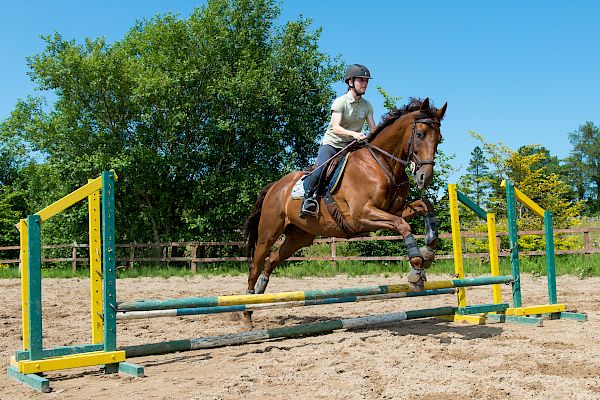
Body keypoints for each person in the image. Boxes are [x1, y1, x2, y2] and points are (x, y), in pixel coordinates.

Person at [300, 64, 377, 218]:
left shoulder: (367, 105)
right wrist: (355, 134)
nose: (364, 83)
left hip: (352, 146)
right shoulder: (340, 102)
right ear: (350, 82)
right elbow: (336, 128)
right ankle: (308, 197)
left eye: (366, 81)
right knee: (321, 168)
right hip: (332, 143)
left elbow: (373, 128)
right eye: (361, 80)